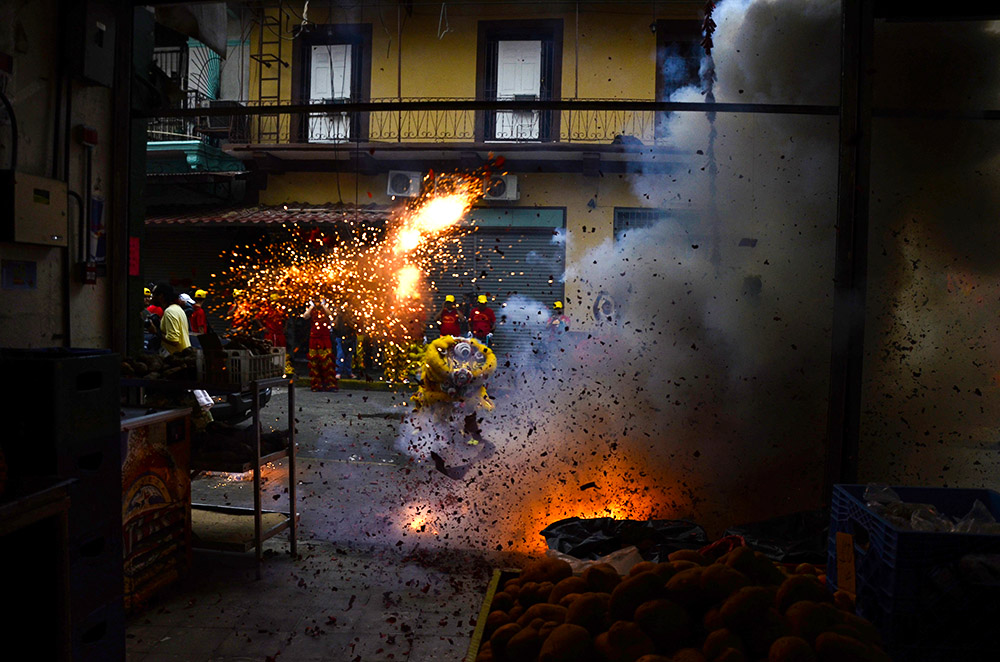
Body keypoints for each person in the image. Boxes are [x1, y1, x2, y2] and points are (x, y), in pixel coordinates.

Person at [301, 300, 337, 392]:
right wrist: (311, 307)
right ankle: (317, 384)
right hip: (314, 338)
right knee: (315, 362)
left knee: (327, 361)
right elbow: (305, 316)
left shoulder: (326, 309)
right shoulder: (312, 310)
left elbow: (330, 314)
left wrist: (324, 305)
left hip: (324, 338)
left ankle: (329, 383)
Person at [152, 282, 191, 356]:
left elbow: (173, 340)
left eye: (154, 294)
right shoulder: (177, 309)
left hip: (176, 357)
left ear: (161, 296)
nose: (152, 297)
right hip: (182, 355)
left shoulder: (170, 311)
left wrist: (155, 331)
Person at [332, 310, 356, 379]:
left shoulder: (351, 314)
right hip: (340, 337)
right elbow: (335, 326)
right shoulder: (338, 315)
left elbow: (354, 325)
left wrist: (348, 319)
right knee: (340, 354)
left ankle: (348, 372)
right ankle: (338, 372)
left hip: (350, 337)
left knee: (349, 356)